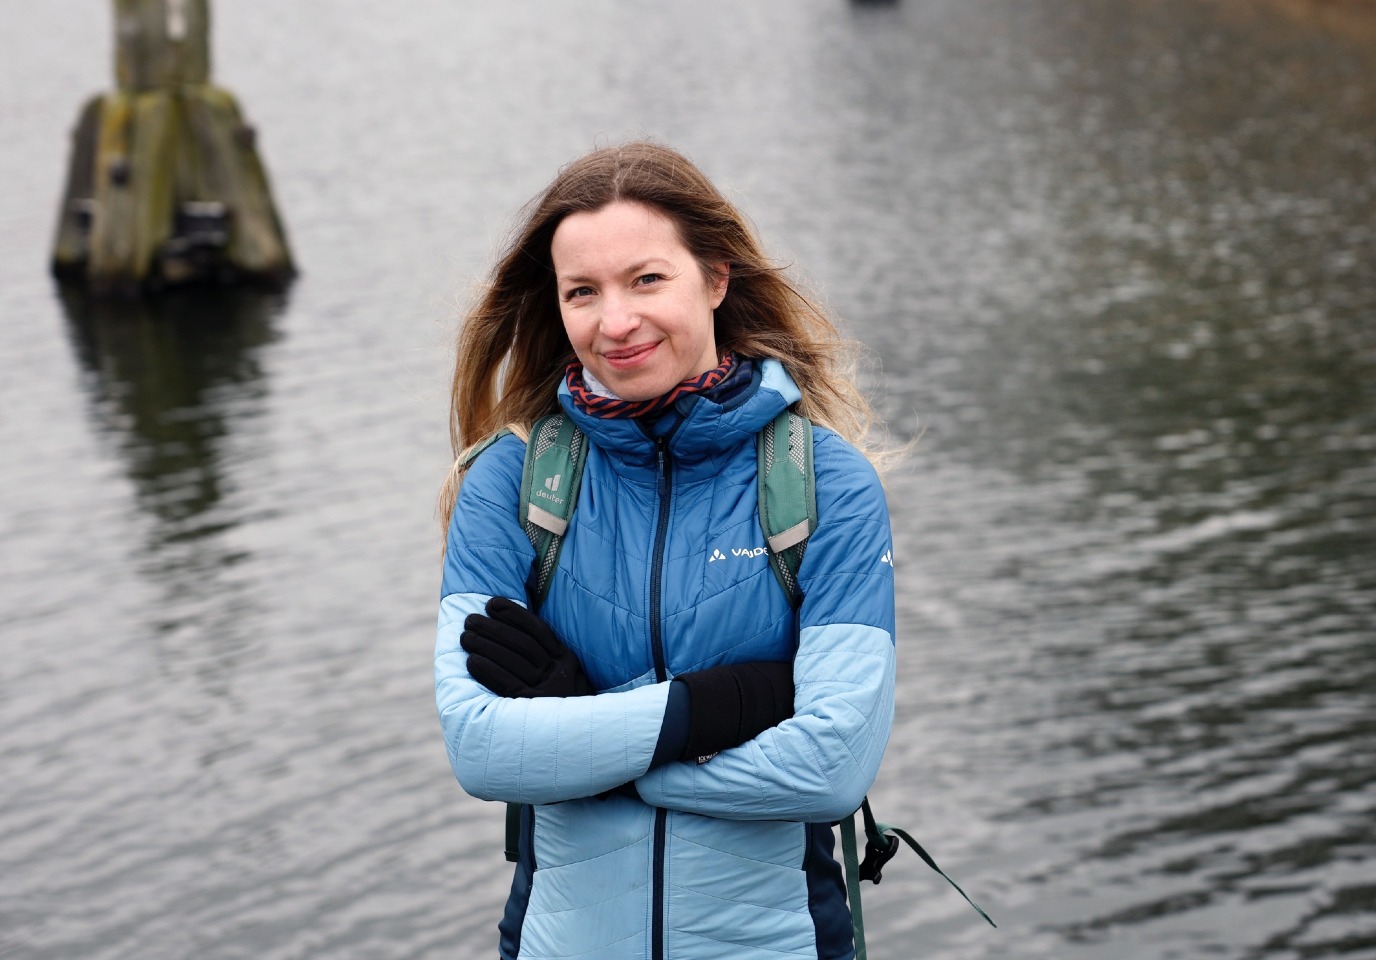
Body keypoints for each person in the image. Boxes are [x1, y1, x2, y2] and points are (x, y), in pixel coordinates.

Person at [435, 142, 896, 960]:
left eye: (647, 279)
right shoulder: (512, 482)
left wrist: (583, 735)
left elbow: (831, 767)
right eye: (583, 291)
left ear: (715, 278)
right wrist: (716, 708)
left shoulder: (823, 483)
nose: (615, 323)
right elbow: (480, 749)